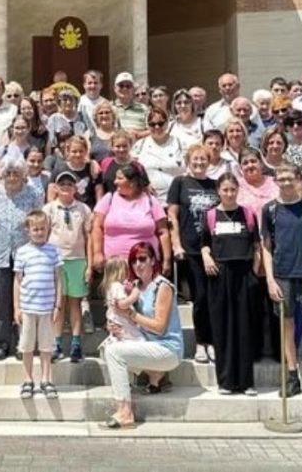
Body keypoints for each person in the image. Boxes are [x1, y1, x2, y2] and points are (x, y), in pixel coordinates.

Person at [262, 164, 302, 402]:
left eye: (290, 178)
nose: (286, 182)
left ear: (299, 180)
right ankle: (292, 376)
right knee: (287, 325)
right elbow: (267, 247)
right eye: (281, 178)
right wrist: (270, 279)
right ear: (276, 181)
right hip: (283, 273)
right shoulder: (269, 210)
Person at [100, 242, 183, 428]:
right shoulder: (135, 286)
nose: (138, 264)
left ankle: (125, 411)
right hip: (146, 343)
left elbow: (160, 327)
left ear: (153, 260)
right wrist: (113, 325)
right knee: (107, 346)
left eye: (143, 258)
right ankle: (155, 375)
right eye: (134, 260)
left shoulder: (163, 286)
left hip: (167, 348)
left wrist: (131, 315)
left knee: (114, 352)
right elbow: (120, 312)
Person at [201, 173, 259, 395]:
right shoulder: (210, 216)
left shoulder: (247, 213)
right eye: (225, 190)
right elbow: (204, 244)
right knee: (222, 328)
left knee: (244, 328)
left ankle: (247, 382)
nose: (229, 193)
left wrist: (254, 272)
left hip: (244, 274)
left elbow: (256, 246)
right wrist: (206, 257)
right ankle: (225, 382)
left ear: (238, 190)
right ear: (218, 191)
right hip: (219, 276)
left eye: (232, 189)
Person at [0, 155, 44, 360]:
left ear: (23, 174)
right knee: (0, 300)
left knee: (24, 299)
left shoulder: (32, 194)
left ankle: (22, 343)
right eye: (7, 173)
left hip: (25, 254)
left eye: (15, 173)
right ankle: (2, 343)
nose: (11, 177)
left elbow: (39, 222)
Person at [167, 144, 219, 361]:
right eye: (195, 159)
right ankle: (201, 343)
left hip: (215, 250)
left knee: (214, 298)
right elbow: (172, 216)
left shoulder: (215, 185)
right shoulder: (179, 183)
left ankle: (214, 342)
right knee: (199, 298)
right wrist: (176, 244)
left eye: (203, 159)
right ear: (188, 160)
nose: (199, 163)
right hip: (191, 249)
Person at [43, 171, 93, 363]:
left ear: (75, 187)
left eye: (69, 183)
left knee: (75, 303)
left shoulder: (83, 209)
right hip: (56, 262)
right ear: (55, 187)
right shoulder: (49, 209)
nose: (66, 186)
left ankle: (75, 343)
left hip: (77, 260)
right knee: (58, 303)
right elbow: (44, 236)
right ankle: (56, 343)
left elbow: (88, 238)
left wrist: (88, 265)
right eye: (61, 183)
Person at [13, 210, 63, 400]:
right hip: (27, 307)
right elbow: (17, 281)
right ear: (28, 231)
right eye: (35, 229)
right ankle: (28, 379)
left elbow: (58, 279)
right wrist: (16, 307)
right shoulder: (22, 252)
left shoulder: (53, 250)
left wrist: (58, 305)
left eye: (42, 229)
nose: (39, 232)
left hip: (47, 308)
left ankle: (46, 379)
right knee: (26, 346)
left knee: (46, 346)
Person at [92, 162, 172, 278]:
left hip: (145, 265)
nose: (115, 182)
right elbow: (97, 227)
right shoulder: (109, 199)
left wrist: (167, 260)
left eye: (120, 178)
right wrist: (97, 253)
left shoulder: (150, 201)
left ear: (132, 182)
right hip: (115, 266)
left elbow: (163, 232)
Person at [133, 108, 185, 203]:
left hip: (177, 200)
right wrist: (143, 183)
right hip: (148, 200)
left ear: (167, 123)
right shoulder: (139, 145)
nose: (157, 127)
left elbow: (189, 169)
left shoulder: (179, 143)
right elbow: (132, 170)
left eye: (160, 123)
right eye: (152, 124)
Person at [98, 257, 143, 350]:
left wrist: (128, 292)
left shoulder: (112, 287)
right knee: (139, 341)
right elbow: (121, 304)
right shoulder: (116, 286)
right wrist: (134, 295)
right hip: (124, 323)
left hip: (120, 321)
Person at [112, 72, 149, 138]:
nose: (125, 88)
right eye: (121, 86)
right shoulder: (109, 108)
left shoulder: (144, 109)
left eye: (128, 86)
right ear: (115, 88)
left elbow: (152, 130)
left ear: (133, 89)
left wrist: (139, 134)